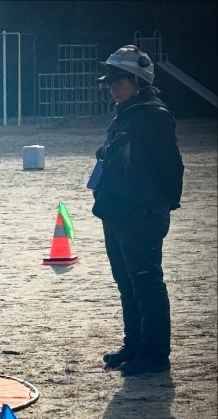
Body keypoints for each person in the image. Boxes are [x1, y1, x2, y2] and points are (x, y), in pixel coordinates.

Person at [92, 45, 184, 375]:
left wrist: (158, 207)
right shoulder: (126, 114)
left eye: (119, 80)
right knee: (127, 284)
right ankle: (135, 346)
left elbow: (172, 168)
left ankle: (155, 354)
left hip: (140, 213)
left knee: (146, 283)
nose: (113, 88)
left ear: (139, 81)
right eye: (110, 82)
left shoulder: (153, 116)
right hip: (117, 212)